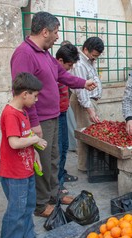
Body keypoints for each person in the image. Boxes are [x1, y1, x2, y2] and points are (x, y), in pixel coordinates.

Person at [10, 11, 97, 218]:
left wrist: (83, 83)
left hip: (54, 115)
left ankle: (53, 194)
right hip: (40, 119)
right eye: (56, 32)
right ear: (44, 31)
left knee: (53, 158)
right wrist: (33, 122)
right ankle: (41, 205)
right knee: (42, 159)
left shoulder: (44, 53)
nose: (58, 37)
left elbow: (62, 75)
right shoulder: (24, 54)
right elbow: (22, 91)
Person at [0, 72, 47, 238]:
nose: (36, 100)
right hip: (14, 172)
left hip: (26, 169)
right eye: (35, 96)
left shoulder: (23, 112)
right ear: (24, 94)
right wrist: (35, 138)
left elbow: (24, 138)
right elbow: (14, 143)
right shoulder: (11, 114)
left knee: (28, 205)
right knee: (16, 209)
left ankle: (26, 236)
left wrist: (35, 154)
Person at [70, 37, 104, 172]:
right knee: (86, 134)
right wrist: (90, 111)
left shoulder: (88, 61)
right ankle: (84, 166)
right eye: (94, 55)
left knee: (90, 133)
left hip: (90, 101)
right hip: (84, 102)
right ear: (85, 50)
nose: (95, 58)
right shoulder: (79, 64)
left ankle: (88, 164)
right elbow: (81, 91)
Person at [55, 43, 80, 194]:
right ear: (60, 60)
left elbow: (71, 81)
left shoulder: (62, 73)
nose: (70, 68)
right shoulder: (53, 73)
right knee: (57, 150)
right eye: (69, 65)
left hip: (63, 112)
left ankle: (61, 175)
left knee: (64, 147)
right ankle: (57, 184)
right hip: (55, 115)